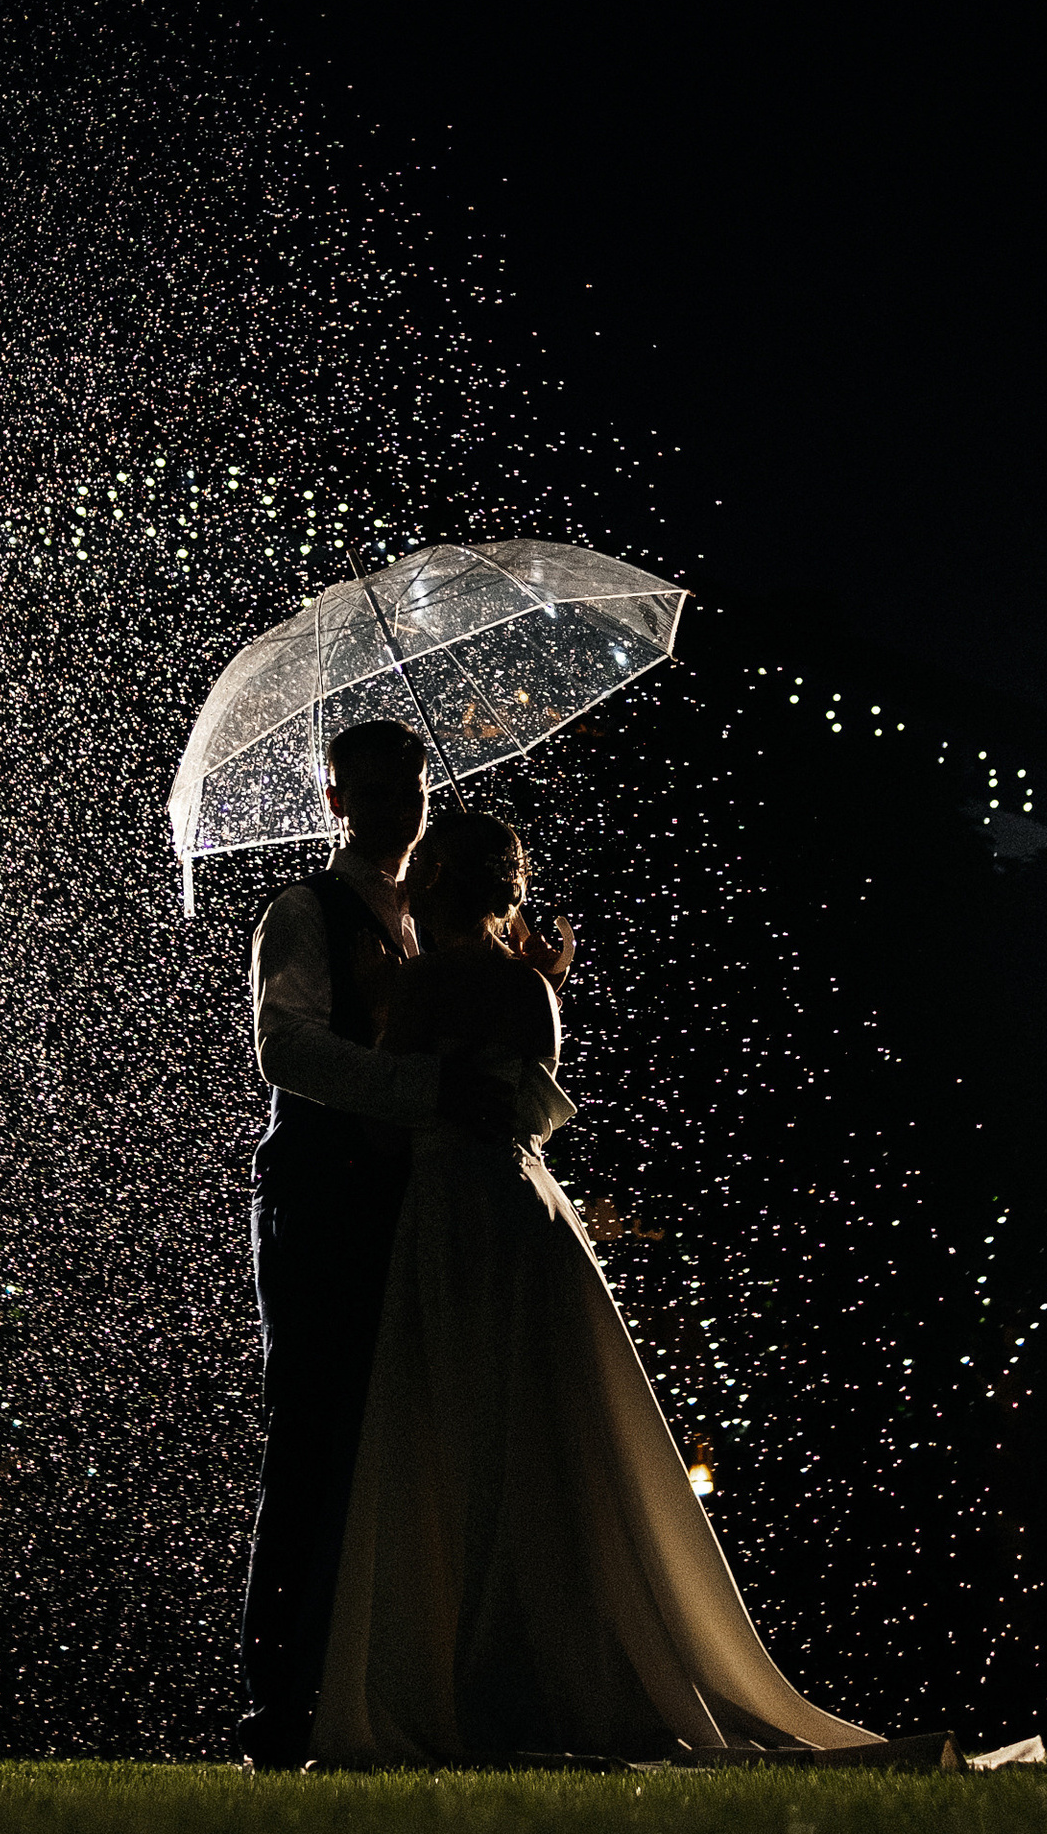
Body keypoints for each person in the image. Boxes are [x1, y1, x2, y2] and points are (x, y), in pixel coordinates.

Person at [310, 809, 882, 1766]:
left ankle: (480, 1677)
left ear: (439, 876)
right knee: (546, 1430)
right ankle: (569, 1659)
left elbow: (383, 1125)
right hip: (529, 1207)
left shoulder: (425, 985)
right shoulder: (533, 987)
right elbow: (532, 1097)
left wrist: (392, 1031)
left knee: (461, 1432)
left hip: (452, 1214)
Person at [238, 717, 513, 1768]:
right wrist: (426, 1086)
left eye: (416, 786)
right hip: (319, 1199)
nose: (403, 806)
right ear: (336, 800)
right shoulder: (302, 911)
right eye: (379, 790)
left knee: (396, 1449)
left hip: (412, 1206)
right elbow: (287, 1048)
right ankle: (280, 1708)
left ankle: (381, 1692)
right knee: (313, 1444)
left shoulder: (429, 925)